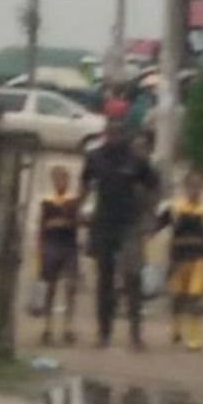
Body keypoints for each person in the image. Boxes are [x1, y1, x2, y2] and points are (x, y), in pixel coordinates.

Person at [79, 121, 159, 350]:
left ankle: (135, 334)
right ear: (105, 135)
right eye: (111, 134)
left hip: (129, 224)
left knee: (133, 276)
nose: (115, 138)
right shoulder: (95, 157)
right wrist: (79, 208)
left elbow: (153, 185)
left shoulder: (136, 159)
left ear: (125, 136)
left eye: (119, 134)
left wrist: (150, 215)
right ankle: (103, 333)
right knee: (104, 278)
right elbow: (85, 182)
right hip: (103, 223)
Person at [156, 171, 203, 351]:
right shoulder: (175, 207)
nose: (194, 190)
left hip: (199, 259)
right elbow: (159, 224)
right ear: (185, 187)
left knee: (194, 297)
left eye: (198, 186)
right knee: (178, 296)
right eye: (191, 186)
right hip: (179, 258)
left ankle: (194, 338)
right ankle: (176, 326)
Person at [38, 165, 80, 346]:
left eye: (63, 178)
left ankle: (68, 327)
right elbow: (43, 225)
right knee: (51, 287)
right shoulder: (47, 201)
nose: (60, 182)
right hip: (51, 245)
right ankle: (47, 327)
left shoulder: (73, 201)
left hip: (69, 246)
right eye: (57, 179)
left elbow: (75, 222)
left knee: (71, 285)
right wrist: (40, 248)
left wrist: (63, 223)